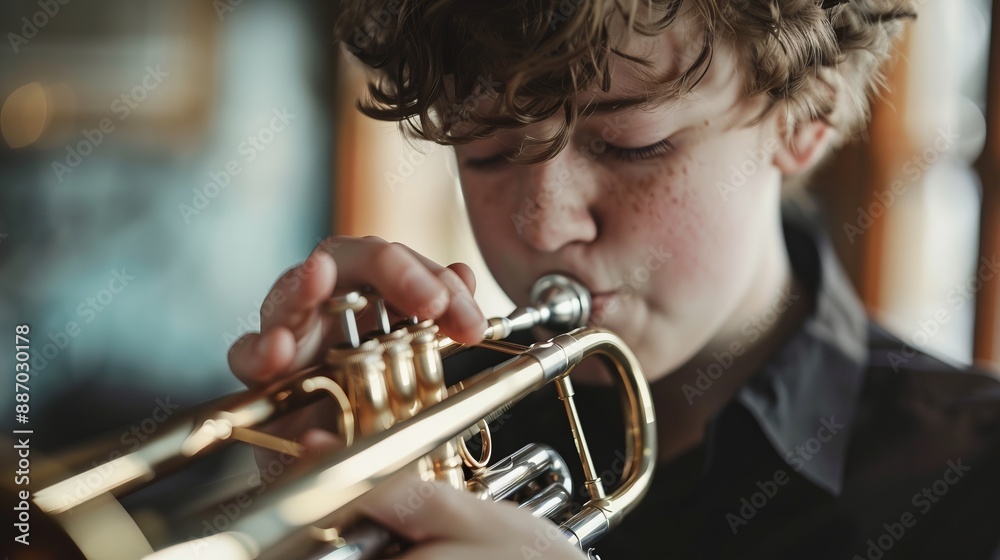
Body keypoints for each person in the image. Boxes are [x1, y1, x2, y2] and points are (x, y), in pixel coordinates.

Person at [229, 0, 1000, 558]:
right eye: (485, 150)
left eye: (631, 143)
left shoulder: (974, 485)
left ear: (803, 120)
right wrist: (310, 519)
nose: (542, 224)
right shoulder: (419, 422)